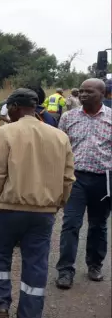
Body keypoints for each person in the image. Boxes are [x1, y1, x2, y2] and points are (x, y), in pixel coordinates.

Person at [0, 88, 75, 318]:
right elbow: (68, 178)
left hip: (8, 209)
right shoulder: (59, 136)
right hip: (44, 213)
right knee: (36, 262)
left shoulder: (6, 132)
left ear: (14, 107)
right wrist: (58, 204)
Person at [54, 78, 112, 288]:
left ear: (103, 94)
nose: (84, 95)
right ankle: (65, 271)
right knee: (70, 223)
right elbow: (60, 149)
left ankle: (95, 265)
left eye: (89, 91)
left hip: (103, 179)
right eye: (81, 91)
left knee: (98, 225)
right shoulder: (68, 117)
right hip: (75, 179)